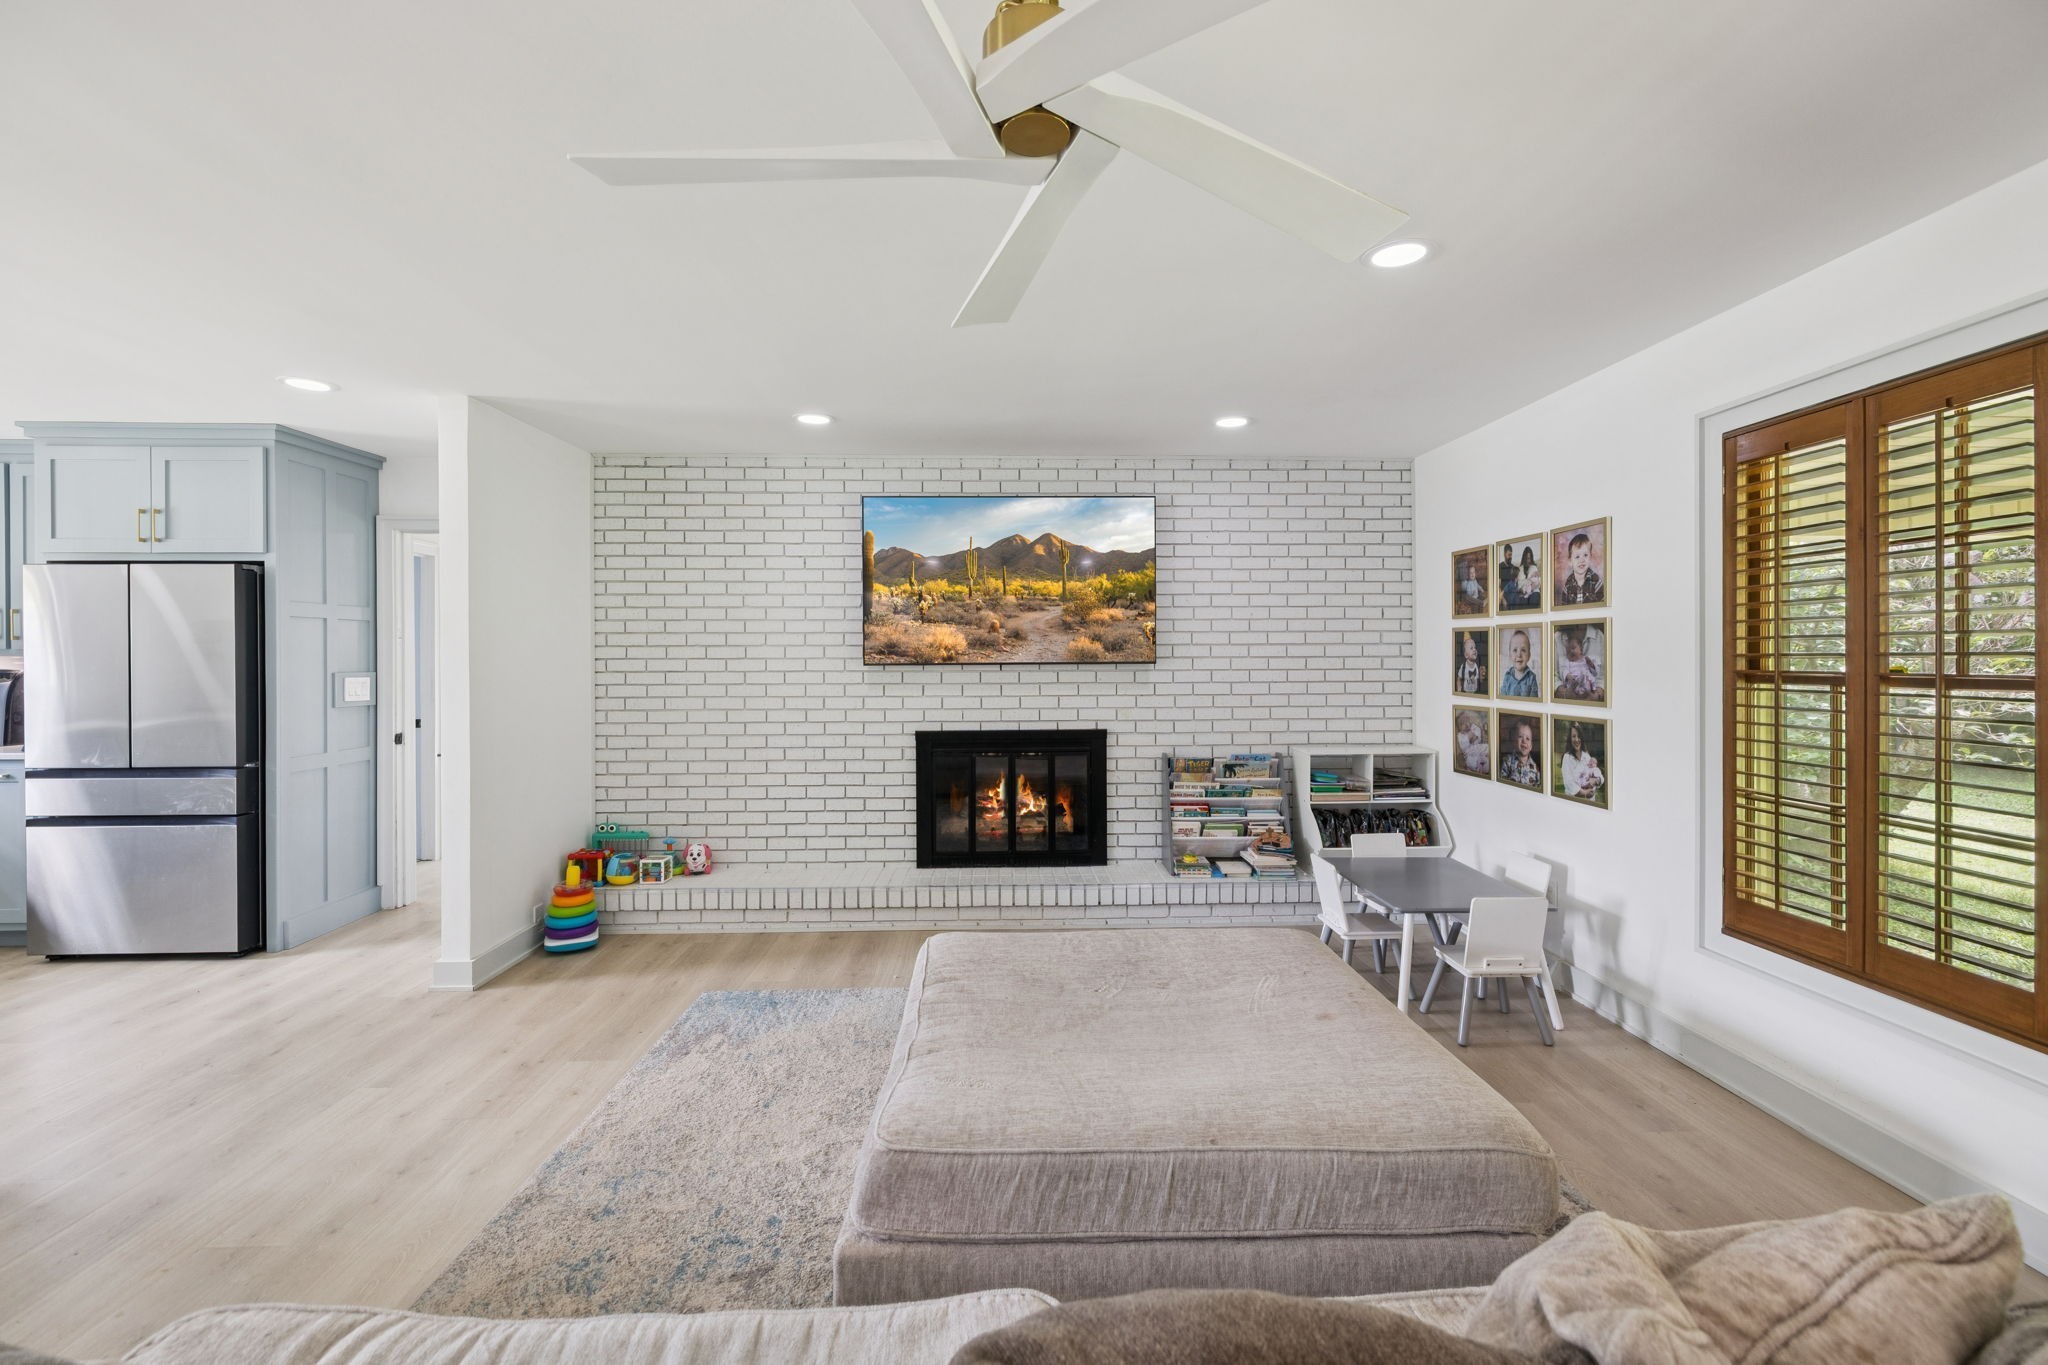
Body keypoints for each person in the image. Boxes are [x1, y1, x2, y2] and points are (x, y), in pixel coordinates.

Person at [1554, 627, 1603, 701]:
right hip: (1573, 684)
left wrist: (1591, 665)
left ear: (1581, 650)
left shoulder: (1585, 659)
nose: (1571, 651)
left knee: (1587, 679)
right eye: (1568, 650)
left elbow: (1600, 674)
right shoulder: (1567, 661)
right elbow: (1564, 671)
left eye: (1573, 648)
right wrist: (1568, 677)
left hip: (1588, 686)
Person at [1559, 722, 1605, 800]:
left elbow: (1599, 775)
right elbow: (1569, 783)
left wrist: (1596, 780)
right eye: (1574, 736)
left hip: (1590, 803)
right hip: (1574, 803)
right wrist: (1585, 793)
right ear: (1570, 739)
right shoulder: (1567, 758)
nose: (1577, 739)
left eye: (1579, 736)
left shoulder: (1586, 756)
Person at [1557, 530, 1604, 605]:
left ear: (1590, 557)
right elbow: (1564, 607)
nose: (1581, 560)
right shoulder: (1568, 584)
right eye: (1577, 556)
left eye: (1585, 555)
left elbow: (1603, 604)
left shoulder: (1596, 580)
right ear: (1570, 561)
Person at [1499, 718, 1540, 787]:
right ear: (1514, 742)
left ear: (1531, 746)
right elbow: (1501, 782)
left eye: (1527, 738)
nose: (1524, 741)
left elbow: (1538, 786)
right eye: (1520, 737)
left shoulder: (1535, 767)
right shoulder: (1507, 761)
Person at [1498, 628, 1539, 697]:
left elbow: (1534, 702)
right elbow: (1502, 698)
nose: (1519, 654)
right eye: (1515, 650)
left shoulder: (1532, 678)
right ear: (1510, 655)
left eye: (1523, 650)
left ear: (1529, 655)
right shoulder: (1507, 677)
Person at [1456, 711, 1490, 775]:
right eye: (1462, 724)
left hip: (1477, 747)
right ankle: (1481, 766)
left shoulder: (1473, 727)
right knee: (1470, 761)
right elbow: (1463, 747)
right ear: (1459, 727)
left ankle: (1488, 755)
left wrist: (1476, 736)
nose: (1466, 724)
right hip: (1469, 753)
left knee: (1487, 746)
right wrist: (1468, 737)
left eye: (1467, 722)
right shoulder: (1460, 735)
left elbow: (1478, 735)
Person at [1455, 630, 1486, 695]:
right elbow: (1459, 678)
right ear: (1466, 655)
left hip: (1475, 692)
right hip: (1465, 692)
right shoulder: (1463, 667)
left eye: (1475, 647)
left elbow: (1480, 680)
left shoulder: (1477, 666)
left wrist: (1481, 675)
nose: (1474, 650)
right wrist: (1459, 689)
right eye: (1471, 648)